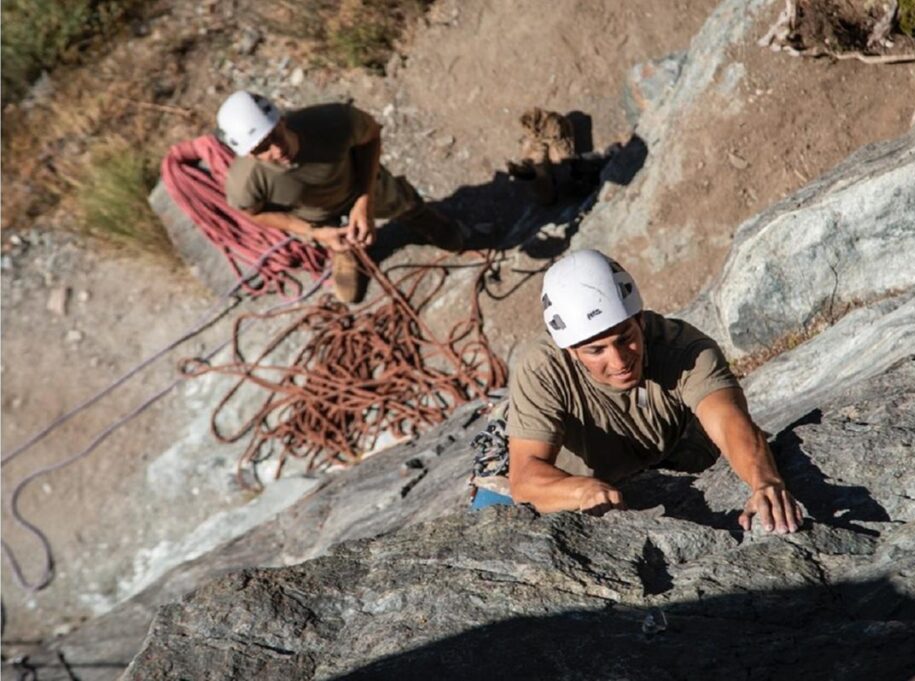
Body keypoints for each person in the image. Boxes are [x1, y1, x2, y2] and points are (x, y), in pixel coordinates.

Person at [472, 249, 802, 535]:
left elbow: (729, 420)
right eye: (595, 350)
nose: (619, 361)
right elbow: (526, 477)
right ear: (570, 351)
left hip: (663, 449)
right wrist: (582, 491)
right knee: (491, 527)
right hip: (569, 476)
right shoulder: (542, 370)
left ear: (640, 320)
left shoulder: (684, 349)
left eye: (624, 338)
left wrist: (764, 482)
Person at [216, 90, 463, 302]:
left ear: (280, 119)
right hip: (313, 213)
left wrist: (364, 201)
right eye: (262, 148)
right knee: (329, 235)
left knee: (397, 198)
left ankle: (418, 216)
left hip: (357, 182)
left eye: (275, 135)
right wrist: (312, 233)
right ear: (248, 154)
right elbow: (253, 213)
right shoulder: (245, 182)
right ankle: (343, 250)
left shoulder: (332, 121)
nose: (278, 149)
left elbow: (371, 136)